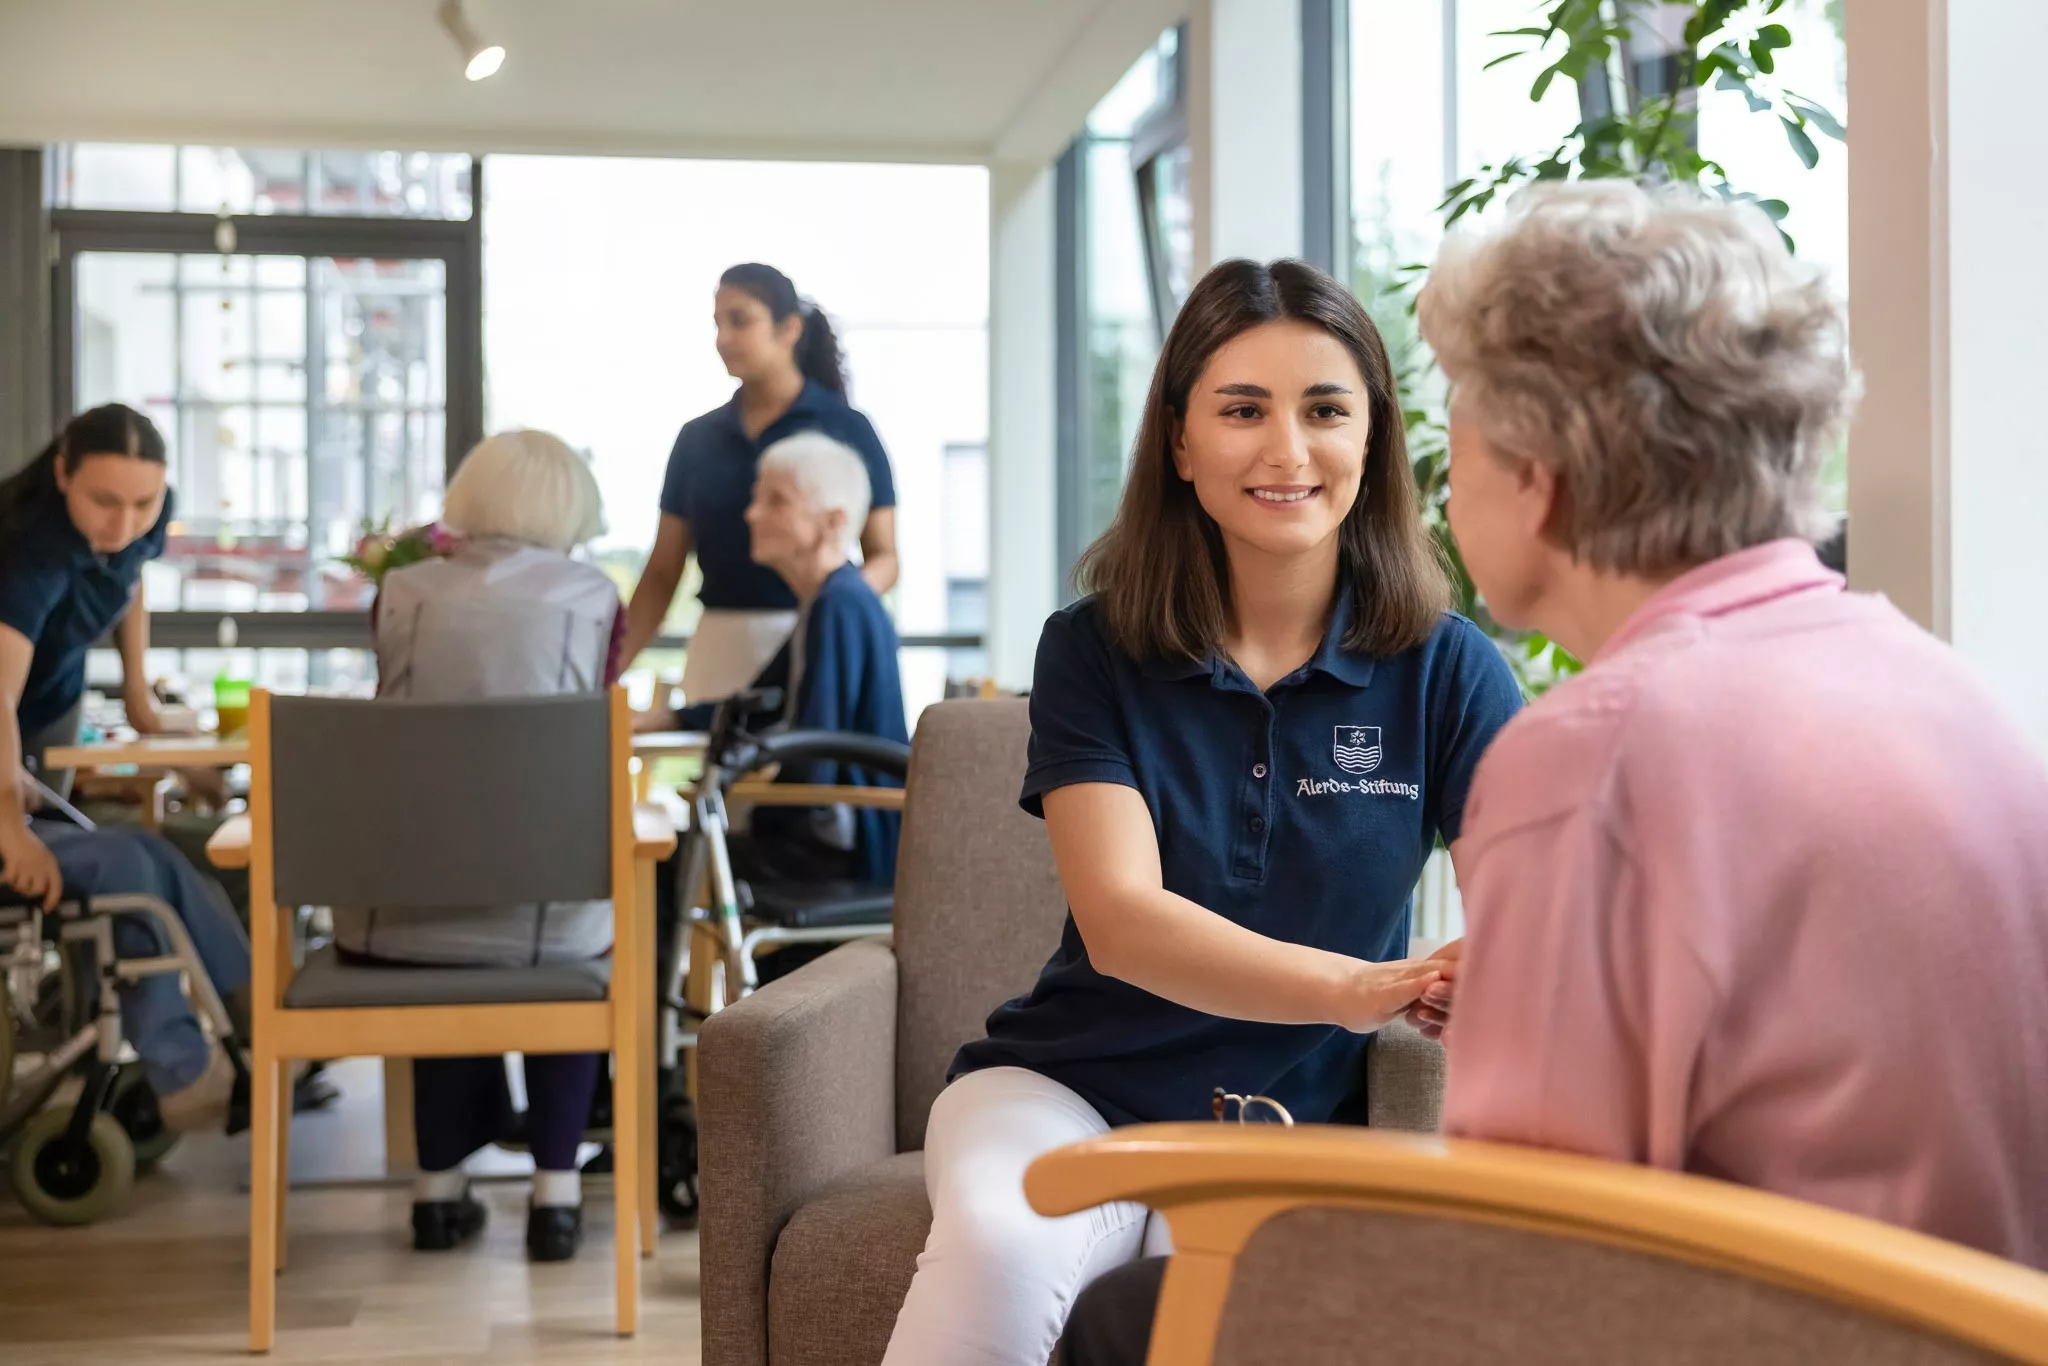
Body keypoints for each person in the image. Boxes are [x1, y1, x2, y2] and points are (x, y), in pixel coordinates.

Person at [880, 258, 1523, 1366]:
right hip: (1058, 1088)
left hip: (1283, 1124)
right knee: (995, 1242)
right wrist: (1361, 987)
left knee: (1216, 1302)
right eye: (1240, 410)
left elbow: (1530, 907)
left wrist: (1490, 967)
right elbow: (1123, 921)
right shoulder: (1092, 646)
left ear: (1370, 442)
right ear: (1180, 443)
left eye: (1325, 409)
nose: (1286, 449)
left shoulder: (1446, 670)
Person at [1420, 182, 2048, 1268]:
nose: (1441, 492)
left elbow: (1518, 1274)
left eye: (1454, 443)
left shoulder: (1587, 758)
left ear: (1537, 480)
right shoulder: (1957, 699)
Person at [336, 429, 624, 1264]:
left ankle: (436, 1191)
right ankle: (556, 1197)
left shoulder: (399, 593)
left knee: (446, 895)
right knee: (573, 915)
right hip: (545, 912)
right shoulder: (595, 596)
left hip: (398, 914)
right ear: (569, 507)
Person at [644, 430, 909, 892]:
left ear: (833, 521)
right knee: (677, 851)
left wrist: (735, 794)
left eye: (775, 501)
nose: (751, 514)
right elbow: (760, 705)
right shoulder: (829, 601)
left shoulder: (839, 606)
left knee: (660, 868)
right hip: (832, 836)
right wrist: (662, 718)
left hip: (843, 851)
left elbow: (812, 757)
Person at [621, 263, 899, 702]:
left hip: (814, 641)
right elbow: (661, 573)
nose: (723, 339)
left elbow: (885, 558)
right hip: (719, 649)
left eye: (740, 320)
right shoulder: (697, 439)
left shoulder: (847, 428)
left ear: (789, 328)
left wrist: (832, 616)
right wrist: (605, 677)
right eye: (717, 324)